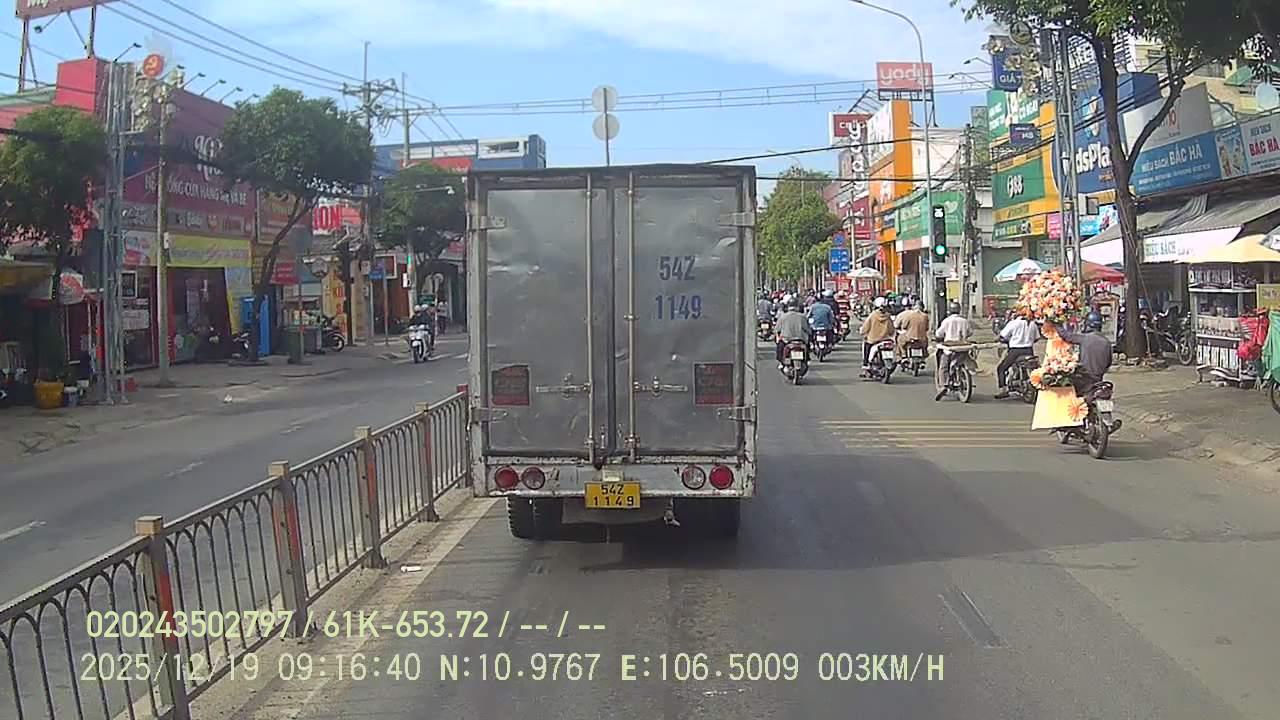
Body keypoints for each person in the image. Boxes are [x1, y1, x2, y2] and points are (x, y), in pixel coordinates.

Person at [1058, 311, 1113, 397]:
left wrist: (1055, 323)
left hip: (1084, 380)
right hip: (1099, 380)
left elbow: (1066, 336)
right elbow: (1108, 363)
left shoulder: (1085, 338)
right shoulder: (1107, 342)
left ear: (1088, 324)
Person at [994, 312, 1041, 398]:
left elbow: (1003, 335)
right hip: (1029, 350)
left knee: (1001, 368)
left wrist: (999, 339)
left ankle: (1003, 390)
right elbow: (1037, 338)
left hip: (1015, 351)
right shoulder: (1033, 323)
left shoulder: (1013, 323)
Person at [934, 301, 974, 400]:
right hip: (963, 348)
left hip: (950, 349)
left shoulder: (946, 321)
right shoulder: (964, 321)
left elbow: (939, 334)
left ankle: (943, 385)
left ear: (949, 310)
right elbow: (970, 332)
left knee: (943, 367)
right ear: (959, 310)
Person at [859, 296, 895, 373]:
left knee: (866, 346)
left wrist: (862, 332)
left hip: (873, 340)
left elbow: (866, 327)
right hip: (886, 338)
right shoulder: (888, 316)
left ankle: (866, 364)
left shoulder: (872, 315)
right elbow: (891, 329)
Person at [775, 297, 811, 370]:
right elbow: (808, 330)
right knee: (807, 346)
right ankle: (807, 360)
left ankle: (781, 363)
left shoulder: (783, 317)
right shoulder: (802, 317)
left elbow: (777, 329)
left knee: (779, 348)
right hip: (801, 339)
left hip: (786, 340)